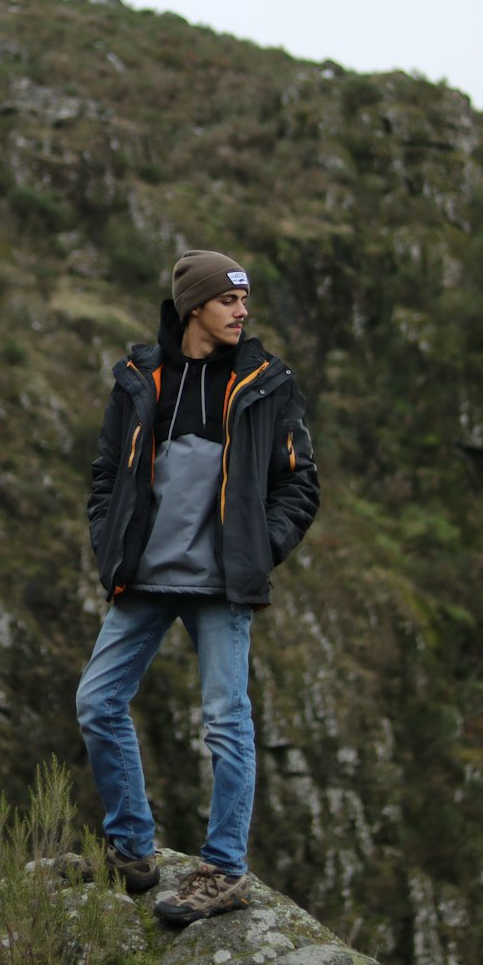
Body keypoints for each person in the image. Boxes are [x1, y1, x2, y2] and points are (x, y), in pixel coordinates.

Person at [75, 249, 320, 925]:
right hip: (145, 578)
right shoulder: (139, 379)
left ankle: (225, 869)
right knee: (97, 703)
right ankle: (131, 848)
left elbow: (300, 483)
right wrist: (111, 545)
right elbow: (105, 475)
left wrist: (255, 551)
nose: (242, 312)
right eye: (228, 301)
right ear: (195, 308)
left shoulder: (268, 384)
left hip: (219, 588)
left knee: (226, 724)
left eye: (245, 301)